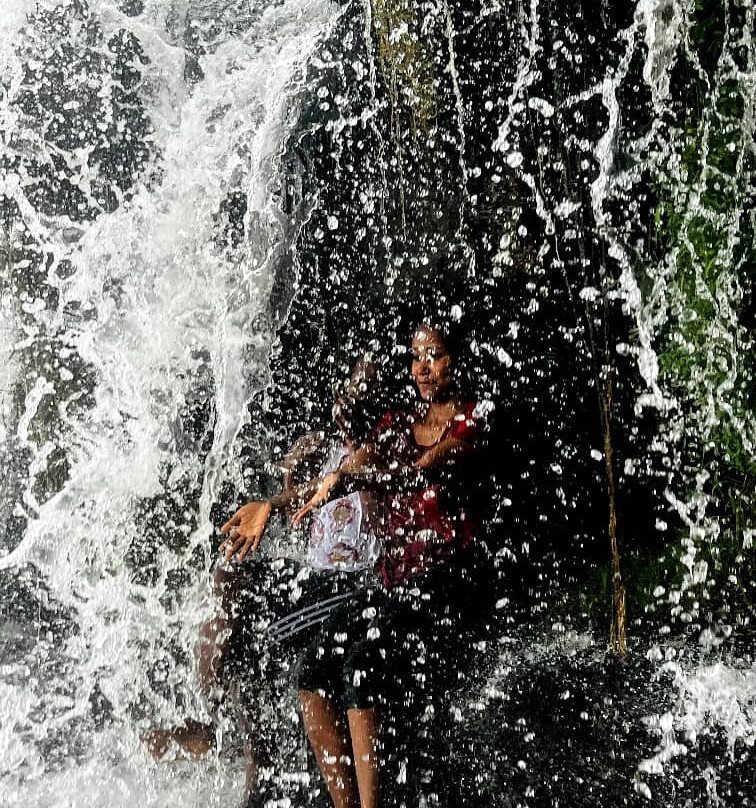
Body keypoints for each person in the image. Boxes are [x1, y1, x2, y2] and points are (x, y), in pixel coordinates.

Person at [142, 357, 386, 802]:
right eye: (346, 394)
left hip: (352, 584)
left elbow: (339, 482)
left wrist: (275, 500)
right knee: (231, 574)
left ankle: (251, 757)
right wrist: (294, 471)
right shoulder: (326, 448)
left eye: (364, 396)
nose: (350, 405)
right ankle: (213, 711)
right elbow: (302, 522)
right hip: (315, 577)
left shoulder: (383, 446)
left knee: (256, 637)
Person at [290, 315, 496, 808]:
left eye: (434, 355)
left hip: (448, 582)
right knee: (312, 670)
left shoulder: (474, 419)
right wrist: (278, 503)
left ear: (458, 360)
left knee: (361, 666)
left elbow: (422, 469)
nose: (421, 368)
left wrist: (350, 479)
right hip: (396, 585)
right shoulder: (399, 423)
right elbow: (355, 463)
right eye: (415, 358)